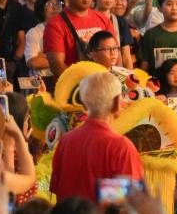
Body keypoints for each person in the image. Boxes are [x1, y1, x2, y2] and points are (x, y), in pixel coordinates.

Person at [50, 71, 144, 201]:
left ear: (84, 103)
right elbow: (131, 200)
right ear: (116, 102)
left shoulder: (66, 141)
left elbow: (57, 188)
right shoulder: (121, 147)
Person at [44, 0, 114, 77]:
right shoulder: (55, 24)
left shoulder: (104, 20)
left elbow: (115, 54)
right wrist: (83, 82)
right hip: (74, 83)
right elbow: (57, 66)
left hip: (104, 80)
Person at [93, 0, 135, 70]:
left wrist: (130, 76)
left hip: (116, 73)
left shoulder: (120, 22)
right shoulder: (87, 19)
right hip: (94, 72)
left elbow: (126, 57)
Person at [25, 0, 63, 79]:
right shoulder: (35, 32)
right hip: (43, 80)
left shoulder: (66, 29)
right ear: (41, 8)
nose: (55, 8)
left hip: (65, 78)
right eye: (50, 4)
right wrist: (59, 60)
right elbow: (33, 62)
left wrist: (43, 56)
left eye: (58, 4)